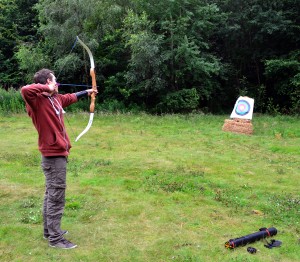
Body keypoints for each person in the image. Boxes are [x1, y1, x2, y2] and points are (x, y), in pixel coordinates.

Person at [21, 68, 97, 249]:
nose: (58, 84)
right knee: (56, 197)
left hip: (58, 154)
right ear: (47, 82)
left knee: (51, 194)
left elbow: (69, 97)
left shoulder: (56, 99)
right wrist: (47, 88)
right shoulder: (36, 101)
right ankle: (55, 239)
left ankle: (49, 232)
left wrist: (88, 92)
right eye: (55, 81)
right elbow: (25, 89)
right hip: (52, 155)